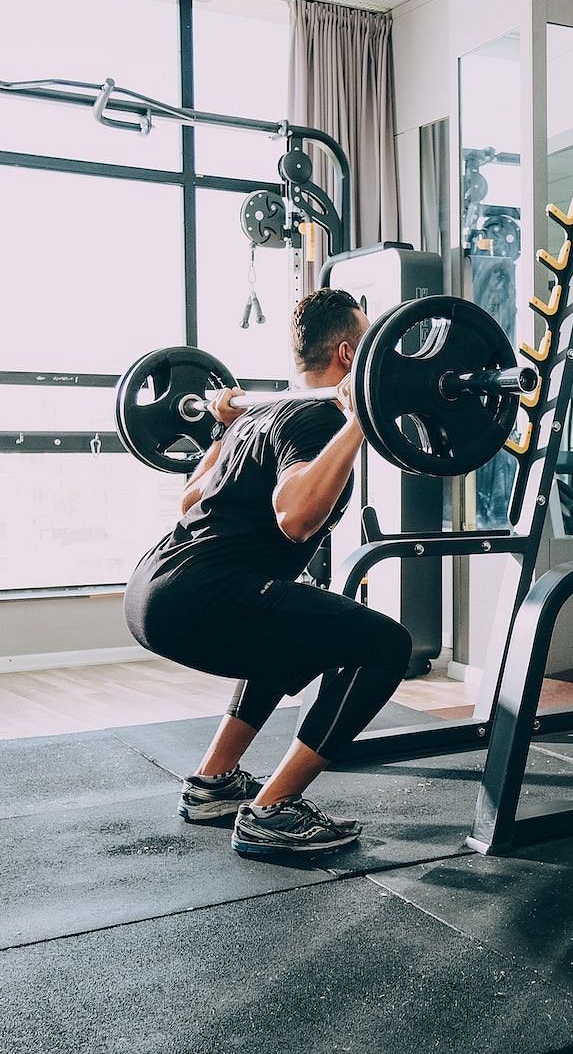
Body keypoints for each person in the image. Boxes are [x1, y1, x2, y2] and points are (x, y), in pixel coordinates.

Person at [124, 288, 411, 858]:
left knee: (291, 622)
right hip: (201, 594)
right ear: (352, 356)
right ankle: (272, 811)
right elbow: (296, 518)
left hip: (154, 589)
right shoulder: (315, 419)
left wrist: (222, 428)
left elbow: (189, 503)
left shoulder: (260, 415)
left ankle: (214, 784)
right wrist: (359, 420)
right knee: (386, 646)